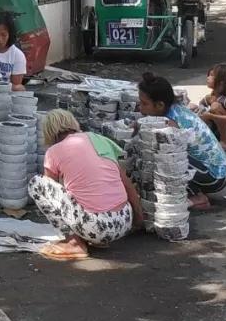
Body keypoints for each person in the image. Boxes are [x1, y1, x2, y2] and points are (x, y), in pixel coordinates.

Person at [27, 109, 143, 261]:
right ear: (73, 124)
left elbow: (53, 193)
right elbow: (125, 182)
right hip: (124, 221)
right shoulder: (98, 139)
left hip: (96, 226)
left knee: (37, 184)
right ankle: (97, 239)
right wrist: (138, 219)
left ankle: (74, 242)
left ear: (50, 133)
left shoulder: (53, 152)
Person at [137, 72, 226, 210]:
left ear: (160, 105)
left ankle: (198, 198)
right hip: (213, 169)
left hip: (214, 176)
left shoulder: (171, 123)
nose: (140, 108)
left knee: (165, 158)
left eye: (144, 104)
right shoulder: (175, 110)